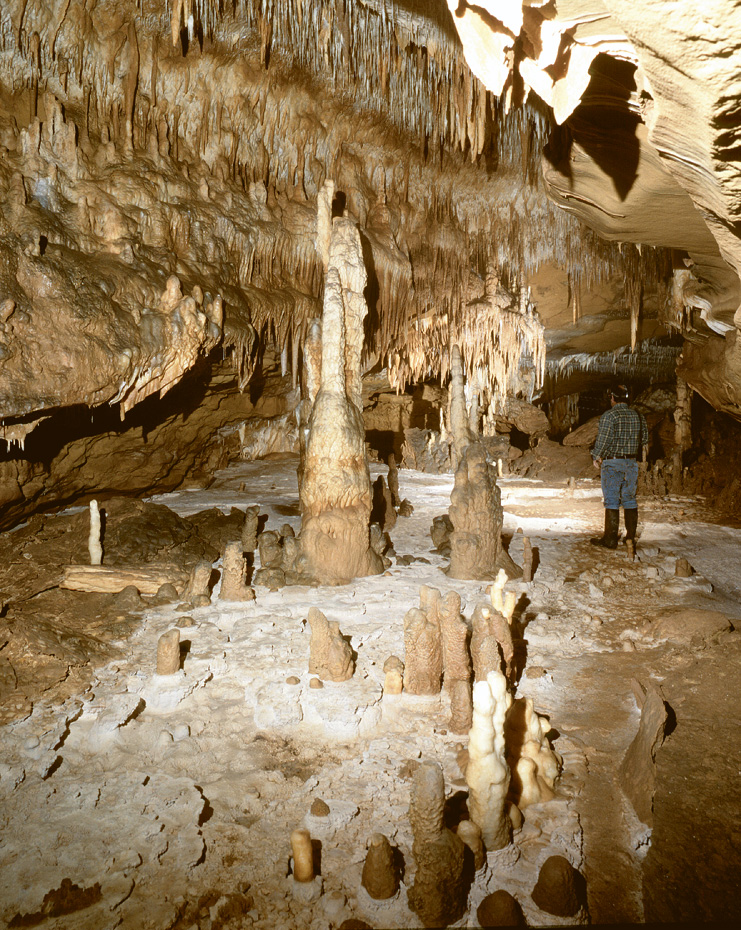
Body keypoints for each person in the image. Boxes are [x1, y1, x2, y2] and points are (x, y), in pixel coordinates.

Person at [590, 385, 649, 549]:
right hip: (631, 463)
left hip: (613, 463)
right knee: (630, 499)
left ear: (612, 398)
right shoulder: (638, 415)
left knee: (612, 501)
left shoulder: (610, 415)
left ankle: (610, 539)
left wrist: (596, 456)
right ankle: (630, 537)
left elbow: (603, 440)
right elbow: (644, 439)